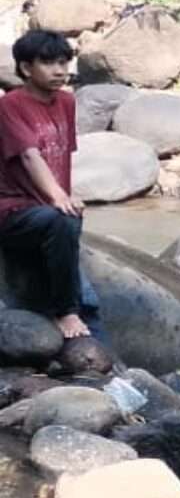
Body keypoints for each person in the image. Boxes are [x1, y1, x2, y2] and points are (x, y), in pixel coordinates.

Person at [0, 31, 98, 341]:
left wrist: (66, 196)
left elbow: (61, 155)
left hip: (44, 208)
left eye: (63, 62)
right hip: (11, 209)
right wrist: (57, 197)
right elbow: (30, 156)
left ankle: (80, 307)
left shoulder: (66, 102)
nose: (59, 71)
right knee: (60, 219)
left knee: (67, 218)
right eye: (48, 63)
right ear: (26, 69)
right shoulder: (10, 105)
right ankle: (65, 311)